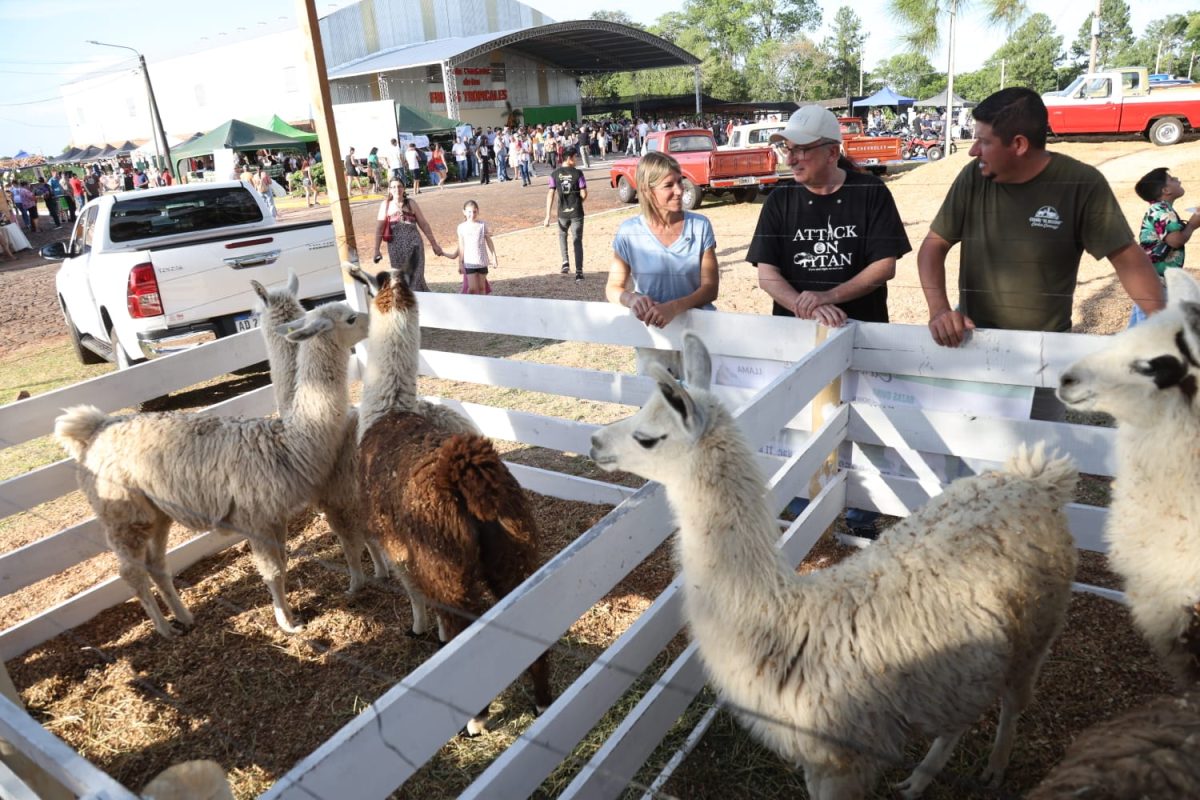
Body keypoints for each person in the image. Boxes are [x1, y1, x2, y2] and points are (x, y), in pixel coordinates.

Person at [917, 86, 1164, 420]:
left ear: (1019, 145)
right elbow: (934, 246)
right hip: (975, 344)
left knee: (1038, 460)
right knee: (973, 453)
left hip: (1045, 352)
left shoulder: (1081, 184)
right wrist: (939, 310)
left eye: (984, 141)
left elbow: (1127, 258)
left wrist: (1166, 327)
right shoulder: (973, 178)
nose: (973, 151)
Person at [747, 105, 910, 328]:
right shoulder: (779, 200)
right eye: (788, 149)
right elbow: (767, 274)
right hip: (796, 331)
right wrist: (806, 307)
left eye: (801, 150)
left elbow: (884, 266)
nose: (790, 160)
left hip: (860, 329)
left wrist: (828, 296)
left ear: (832, 153)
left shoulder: (870, 191)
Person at [606, 151, 719, 377]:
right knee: (655, 407)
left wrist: (674, 308)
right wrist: (632, 299)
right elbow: (613, 288)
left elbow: (710, 289)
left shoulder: (700, 226)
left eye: (680, 182)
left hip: (697, 335)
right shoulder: (629, 232)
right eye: (669, 185)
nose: (679, 190)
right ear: (648, 191)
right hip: (654, 340)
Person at [1128, 168, 1200, 326]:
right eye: (1173, 179)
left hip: (1150, 279)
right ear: (1166, 190)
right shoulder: (1163, 211)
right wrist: (1193, 225)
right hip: (1155, 282)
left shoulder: (1160, 209)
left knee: (1138, 329)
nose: (1178, 179)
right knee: (1150, 331)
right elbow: (1175, 240)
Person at [371, 179, 446, 292]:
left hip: (414, 247)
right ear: (390, 190)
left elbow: (424, 225)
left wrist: (434, 244)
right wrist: (376, 250)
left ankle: (420, 303)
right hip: (396, 249)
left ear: (404, 188)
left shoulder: (411, 203)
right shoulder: (385, 205)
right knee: (400, 280)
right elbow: (379, 228)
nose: (397, 189)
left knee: (416, 278)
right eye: (394, 187)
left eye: (400, 186)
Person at [543, 146, 587, 281]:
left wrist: (547, 216)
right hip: (576, 212)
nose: (577, 159)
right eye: (575, 157)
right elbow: (584, 193)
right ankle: (579, 272)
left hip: (562, 213)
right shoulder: (578, 174)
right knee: (577, 240)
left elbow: (550, 194)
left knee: (562, 236)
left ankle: (565, 262)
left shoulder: (554, 174)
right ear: (569, 158)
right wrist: (578, 202)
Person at [456, 200, 498, 295]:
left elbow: (489, 242)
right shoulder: (461, 227)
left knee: (482, 287)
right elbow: (461, 246)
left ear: (478, 211)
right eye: (469, 212)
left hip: (482, 262)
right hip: (469, 263)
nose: (472, 214)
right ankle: (470, 305)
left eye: (474, 211)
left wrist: (494, 257)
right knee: (472, 288)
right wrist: (460, 263)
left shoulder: (482, 225)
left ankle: (482, 306)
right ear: (464, 212)